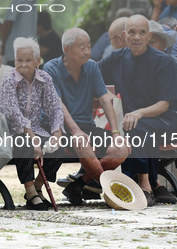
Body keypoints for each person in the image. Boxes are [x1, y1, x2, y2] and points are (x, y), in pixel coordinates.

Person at [99, 15, 177, 206]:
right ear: (124, 35)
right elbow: (94, 75)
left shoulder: (163, 61)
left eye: (142, 33)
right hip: (137, 123)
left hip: (167, 120)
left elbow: (164, 105)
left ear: (148, 36)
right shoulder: (117, 58)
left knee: (136, 127)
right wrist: (105, 93)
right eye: (132, 32)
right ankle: (155, 183)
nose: (137, 37)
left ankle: (145, 185)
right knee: (136, 127)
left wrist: (139, 112)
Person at [43, 28, 129, 206]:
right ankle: (111, 192)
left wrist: (115, 133)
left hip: (86, 127)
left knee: (122, 149)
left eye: (89, 46)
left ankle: (78, 184)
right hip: (59, 128)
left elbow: (105, 100)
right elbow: (58, 105)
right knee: (84, 144)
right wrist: (75, 131)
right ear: (66, 49)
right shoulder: (51, 68)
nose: (87, 51)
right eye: (82, 47)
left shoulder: (92, 66)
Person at [0, 37, 63, 211]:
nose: (23, 64)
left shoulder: (44, 78)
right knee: (24, 143)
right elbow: (13, 113)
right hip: (8, 131)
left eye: (28, 60)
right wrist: (33, 139)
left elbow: (55, 107)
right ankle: (31, 193)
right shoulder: (9, 78)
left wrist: (56, 133)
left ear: (38, 61)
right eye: (19, 60)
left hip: (33, 129)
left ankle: (38, 187)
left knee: (59, 147)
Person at [148, 20, 177, 198]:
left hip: (171, 120)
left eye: (153, 42)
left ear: (162, 45)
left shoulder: (173, 65)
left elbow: (165, 104)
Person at [1, 0, 42, 66]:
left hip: (29, 55)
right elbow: (7, 22)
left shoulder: (34, 1)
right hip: (16, 55)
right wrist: (3, 45)